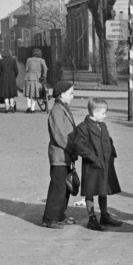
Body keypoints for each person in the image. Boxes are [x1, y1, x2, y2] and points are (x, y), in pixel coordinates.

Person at [73, 98, 122, 231]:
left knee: (103, 190)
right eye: (103, 113)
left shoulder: (103, 125)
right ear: (94, 113)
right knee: (90, 191)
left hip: (105, 163)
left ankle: (104, 215)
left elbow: (108, 139)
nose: (105, 116)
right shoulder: (83, 127)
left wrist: (112, 152)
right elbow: (79, 145)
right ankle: (92, 218)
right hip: (92, 165)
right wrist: (93, 157)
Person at [42, 81, 77, 229]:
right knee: (58, 187)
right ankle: (50, 218)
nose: (72, 96)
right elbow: (60, 135)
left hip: (65, 155)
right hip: (60, 155)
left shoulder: (63, 108)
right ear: (61, 94)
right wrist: (73, 149)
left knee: (65, 186)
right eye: (71, 93)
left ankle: (60, 214)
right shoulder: (57, 111)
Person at [24, 49, 48, 113]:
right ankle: (32, 109)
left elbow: (26, 69)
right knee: (35, 93)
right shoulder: (42, 60)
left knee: (28, 93)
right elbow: (45, 68)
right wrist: (44, 75)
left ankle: (28, 107)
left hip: (29, 77)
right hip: (37, 78)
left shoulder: (29, 60)